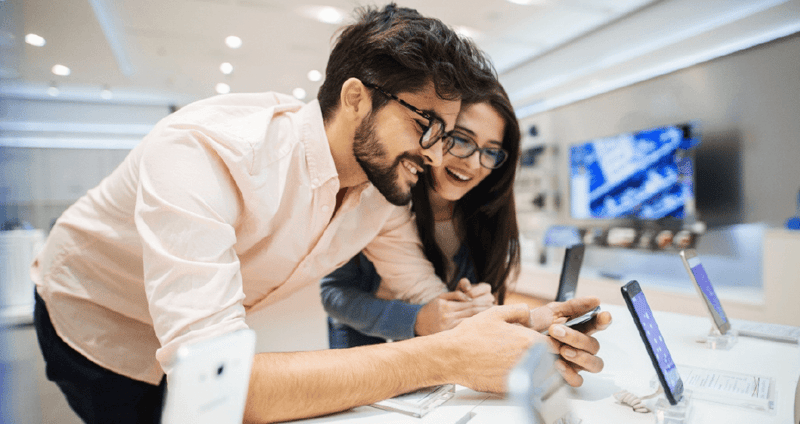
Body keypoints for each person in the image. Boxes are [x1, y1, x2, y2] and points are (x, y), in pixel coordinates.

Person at [31, 4, 609, 423]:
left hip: (190, 336)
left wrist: (516, 326)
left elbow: (421, 296)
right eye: (424, 124)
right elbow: (222, 383)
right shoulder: (205, 152)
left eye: (447, 133)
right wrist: (445, 355)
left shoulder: (383, 188)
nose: (436, 155)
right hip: (94, 319)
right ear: (356, 97)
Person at [321, 82, 523, 347]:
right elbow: (334, 291)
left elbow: (444, 302)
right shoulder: (380, 198)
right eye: (461, 139)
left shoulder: (483, 213)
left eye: (490, 151)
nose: (473, 163)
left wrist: (472, 301)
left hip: (440, 355)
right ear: (433, 134)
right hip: (367, 351)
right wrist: (414, 319)